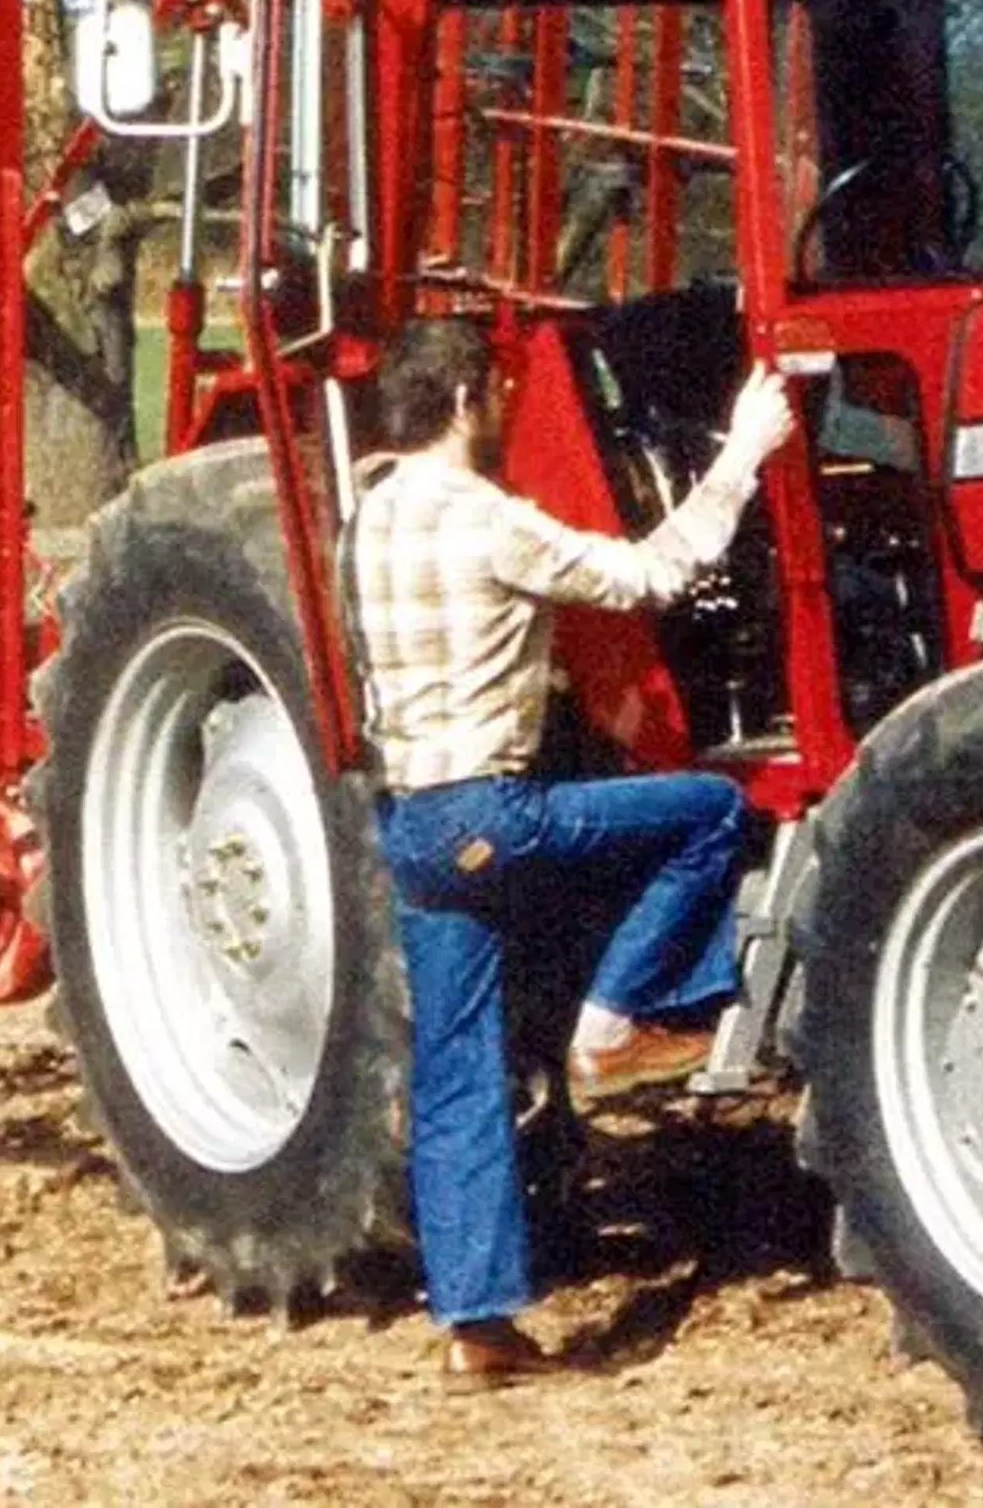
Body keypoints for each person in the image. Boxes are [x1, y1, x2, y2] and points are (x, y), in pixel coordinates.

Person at [341, 317, 798, 1387]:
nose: (501, 410)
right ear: (463, 402)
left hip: (412, 826)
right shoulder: (487, 520)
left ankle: (477, 1327)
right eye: (495, 396)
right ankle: (617, 1014)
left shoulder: (365, 520)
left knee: (457, 1077)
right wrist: (741, 452)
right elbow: (652, 576)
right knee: (705, 814)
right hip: (494, 815)